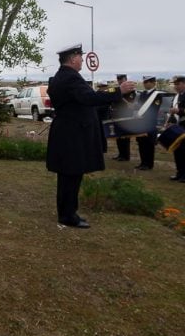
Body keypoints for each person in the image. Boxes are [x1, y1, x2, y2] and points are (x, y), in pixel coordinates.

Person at [46, 44, 135, 229]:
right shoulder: (70, 78)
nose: (82, 60)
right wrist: (118, 91)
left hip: (67, 131)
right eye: (79, 56)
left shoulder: (60, 77)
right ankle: (68, 215)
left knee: (67, 175)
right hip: (73, 134)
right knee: (72, 174)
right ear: (72, 59)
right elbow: (90, 98)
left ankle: (66, 212)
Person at [135, 76, 160, 171]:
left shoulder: (157, 95)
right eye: (144, 82)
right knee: (141, 143)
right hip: (140, 123)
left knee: (149, 144)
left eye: (147, 82)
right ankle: (143, 162)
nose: (145, 84)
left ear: (153, 83)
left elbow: (155, 109)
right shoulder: (142, 94)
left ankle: (149, 164)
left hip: (150, 123)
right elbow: (139, 107)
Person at [111, 74, 134, 161]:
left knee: (125, 137)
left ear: (125, 79)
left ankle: (126, 156)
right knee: (118, 137)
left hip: (125, 116)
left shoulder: (131, 91)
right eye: (118, 79)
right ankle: (120, 154)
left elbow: (129, 103)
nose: (119, 81)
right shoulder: (117, 90)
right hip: (117, 116)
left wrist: (119, 96)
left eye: (121, 79)